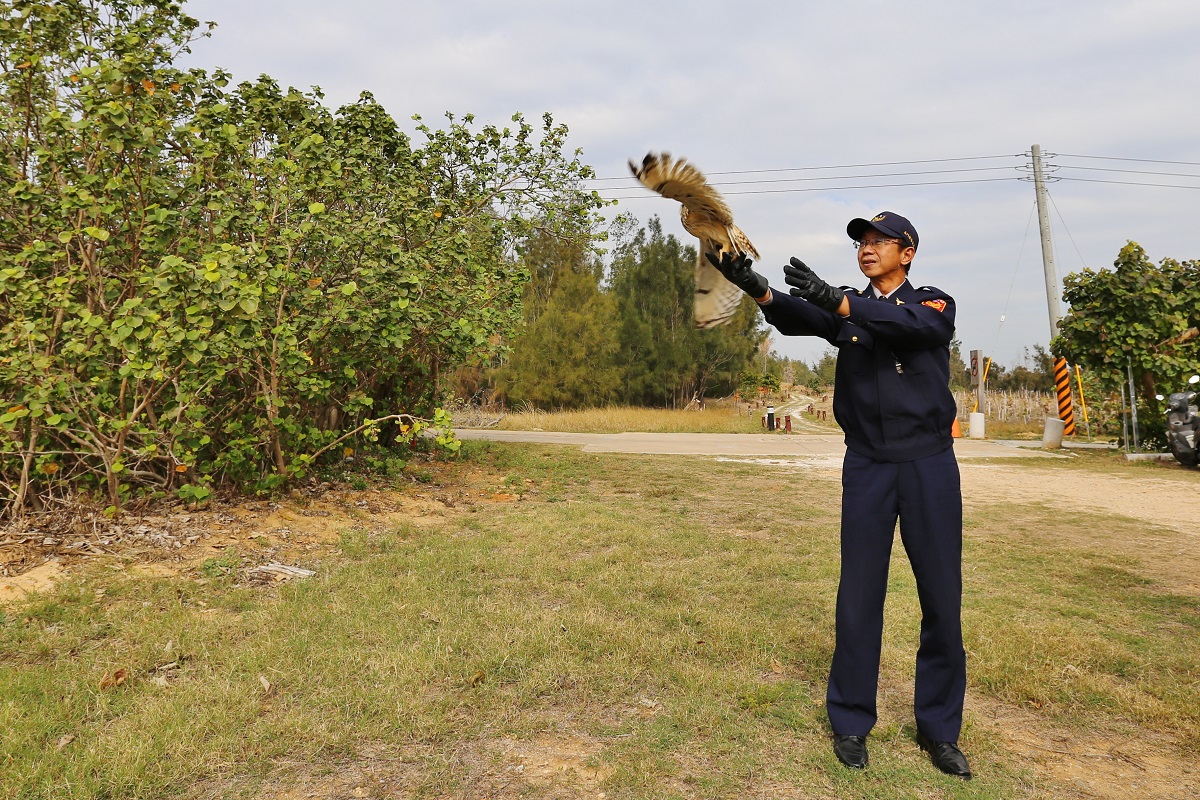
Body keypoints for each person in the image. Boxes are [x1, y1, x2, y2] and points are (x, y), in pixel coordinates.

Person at [707, 211, 971, 780]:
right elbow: (803, 316)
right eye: (862, 242)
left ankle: (940, 731)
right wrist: (757, 286)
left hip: (928, 465)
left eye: (880, 242)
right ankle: (851, 722)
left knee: (941, 599)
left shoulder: (935, 303)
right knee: (858, 595)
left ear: (909, 252)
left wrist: (841, 302)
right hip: (869, 465)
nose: (868, 249)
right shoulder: (846, 305)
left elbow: (909, 327)